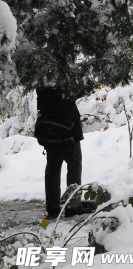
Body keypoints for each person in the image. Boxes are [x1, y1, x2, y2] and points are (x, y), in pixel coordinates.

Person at [35, 86, 84, 219]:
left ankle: (52, 207)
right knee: (74, 164)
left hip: (49, 128)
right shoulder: (62, 75)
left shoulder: (40, 78)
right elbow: (78, 90)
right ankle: (73, 205)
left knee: (53, 167)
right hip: (68, 127)